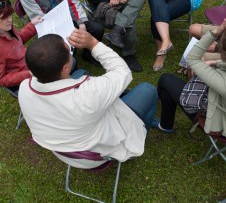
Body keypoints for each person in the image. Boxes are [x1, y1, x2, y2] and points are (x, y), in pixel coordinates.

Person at [18, 30, 157, 167]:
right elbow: (123, 72)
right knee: (147, 90)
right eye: (69, 52)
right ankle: (140, 136)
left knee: (81, 73)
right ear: (65, 68)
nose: (71, 54)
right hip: (96, 155)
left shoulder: (24, 88)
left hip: (65, 150)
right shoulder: (88, 94)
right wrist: (93, 44)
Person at [154, 18, 226, 138]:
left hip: (220, 121)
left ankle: (165, 125)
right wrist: (215, 62)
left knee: (165, 80)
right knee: (196, 71)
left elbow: (192, 58)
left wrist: (216, 32)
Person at [0, 0, 42, 93]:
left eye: (9, 15)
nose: (9, 20)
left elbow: (19, 40)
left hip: (31, 62)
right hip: (24, 80)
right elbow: (1, 80)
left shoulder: (7, 28)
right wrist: (29, 74)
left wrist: (32, 25)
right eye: (3, 18)